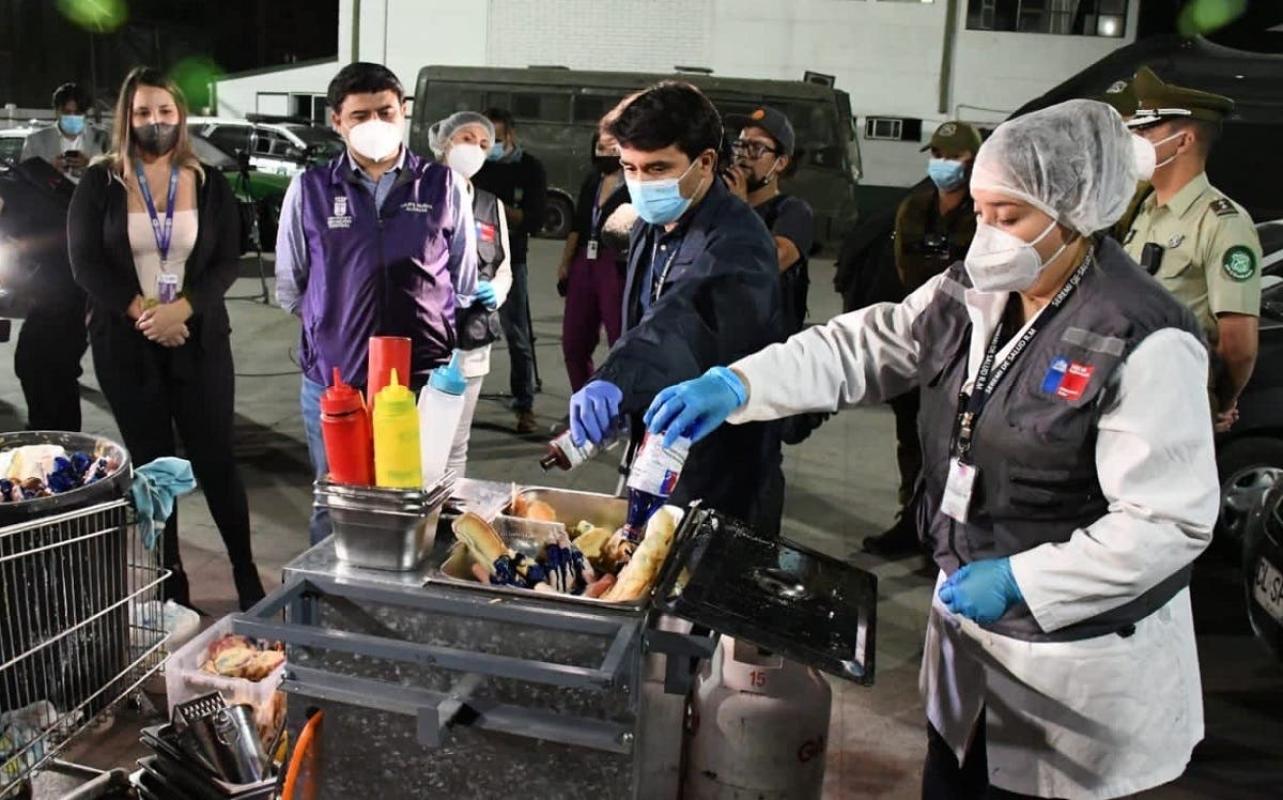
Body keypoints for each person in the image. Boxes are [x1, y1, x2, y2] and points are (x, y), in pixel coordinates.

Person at [645, 100, 1217, 799]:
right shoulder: (980, 288)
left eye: (1008, 217)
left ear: (1075, 215)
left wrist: (1024, 581)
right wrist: (740, 383)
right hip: (969, 642)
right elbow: (870, 343)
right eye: (980, 212)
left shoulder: (1142, 336)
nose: (987, 236)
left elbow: (1167, 521)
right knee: (954, 776)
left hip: (1073, 662)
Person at [68, 67, 267, 610]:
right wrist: (144, 312)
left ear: (180, 116)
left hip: (197, 339)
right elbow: (84, 263)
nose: (153, 122)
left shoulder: (207, 181)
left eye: (163, 111)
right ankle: (170, 581)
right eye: (142, 112)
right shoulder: (100, 183)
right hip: (127, 342)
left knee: (215, 459)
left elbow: (227, 261)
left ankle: (247, 575)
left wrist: (183, 308)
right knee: (155, 469)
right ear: (125, 118)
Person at [568, 82, 786, 536]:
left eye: (658, 168)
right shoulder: (653, 226)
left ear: (705, 162)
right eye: (630, 167)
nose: (642, 183)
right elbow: (643, 320)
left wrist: (617, 378)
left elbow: (685, 323)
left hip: (721, 469)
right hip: (659, 452)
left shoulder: (739, 243)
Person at [276, 62, 477, 544]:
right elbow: (291, 285)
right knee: (338, 506)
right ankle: (328, 590)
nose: (375, 124)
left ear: (403, 112)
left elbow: (464, 279)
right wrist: (335, 323)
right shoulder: (310, 189)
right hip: (336, 380)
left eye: (385, 113)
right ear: (337, 121)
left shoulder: (443, 185)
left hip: (422, 381)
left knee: (421, 505)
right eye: (360, 115)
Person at [863, 120, 982, 558]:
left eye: (954, 157)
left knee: (961, 444)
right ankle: (912, 521)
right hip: (925, 338)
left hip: (972, 346)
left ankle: (950, 533)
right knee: (912, 436)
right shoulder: (914, 207)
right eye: (938, 155)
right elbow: (905, 270)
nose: (943, 164)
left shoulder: (984, 210)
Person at [1123, 66, 1261, 433]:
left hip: (1177, 403)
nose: (1135, 140)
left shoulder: (1222, 223)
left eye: (1146, 131)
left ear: (1183, 142)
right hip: (1128, 393)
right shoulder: (1144, 210)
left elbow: (1239, 345)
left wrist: (1217, 402)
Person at [427, 110, 512, 478]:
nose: (475, 148)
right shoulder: (420, 194)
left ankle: (450, 508)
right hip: (427, 334)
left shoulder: (491, 204)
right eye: (467, 139)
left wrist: (496, 291)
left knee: (457, 443)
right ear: (445, 142)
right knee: (423, 439)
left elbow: (504, 267)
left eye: (484, 144)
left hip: (473, 337)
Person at [473, 108, 547, 433]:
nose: (488, 147)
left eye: (496, 140)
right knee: (459, 333)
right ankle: (452, 398)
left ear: (510, 136)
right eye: (483, 141)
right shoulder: (474, 165)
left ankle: (524, 406)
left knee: (517, 336)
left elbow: (534, 219)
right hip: (470, 262)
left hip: (510, 261)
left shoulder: (529, 168)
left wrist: (499, 211)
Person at [725, 106, 814, 337]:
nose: (743, 155)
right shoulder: (718, 208)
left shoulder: (792, 212)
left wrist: (740, 210)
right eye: (740, 145)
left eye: (756, 148)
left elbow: (771, 262)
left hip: (766, 345)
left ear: (780, 162)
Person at [556, 130, 630, 392]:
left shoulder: (634, 184)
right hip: (583, 262)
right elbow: (577, 224)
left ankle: (621, 403)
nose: (605, 153)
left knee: (620, 339)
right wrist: (566, 263)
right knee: (574, 342)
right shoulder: (592, 181)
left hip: (616, 264)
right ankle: (583, 400)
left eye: (612, 148)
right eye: (601, 147)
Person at [22, 82, 110, 183]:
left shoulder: (102, 139)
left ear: (85, 113)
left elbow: (113, 177)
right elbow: (23, 180)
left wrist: (88, 164)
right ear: (56, 112)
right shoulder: (35, 141)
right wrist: (49, 170)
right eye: (67, 112)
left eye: (77, 113)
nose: (72, 117)